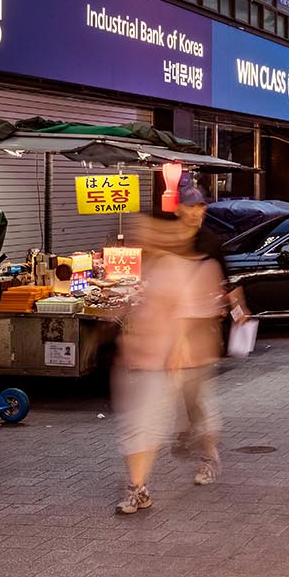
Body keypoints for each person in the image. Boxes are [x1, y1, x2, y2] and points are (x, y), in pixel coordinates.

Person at [111, 217, 193, 515]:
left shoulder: (171, 267)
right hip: (131, 358)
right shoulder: (142, 267)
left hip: (158, 361)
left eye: (145, 232)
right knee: (132, 426)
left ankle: (137, 487)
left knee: (144, 426)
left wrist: (178, 348)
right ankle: (139, 487)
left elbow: (182, 310)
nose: (140, 238)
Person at [171, 183, 234, 485]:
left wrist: (236, 311)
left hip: (200, 330)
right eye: (191, 206)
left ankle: (209, 456)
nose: (197, 212)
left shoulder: (210, 241)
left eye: (201, 206)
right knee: (182, 394)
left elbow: (227, 282)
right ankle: (188, 431)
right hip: (174, 329)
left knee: (196, 396)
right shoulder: (170, 240)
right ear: (178, 209)